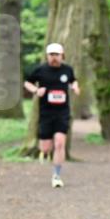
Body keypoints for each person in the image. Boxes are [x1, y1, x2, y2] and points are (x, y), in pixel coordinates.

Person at [24, 43, 80, 188]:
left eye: (57, 55)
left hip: (62, 112)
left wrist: (75, 86)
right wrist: (36, 90)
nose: (54, 58)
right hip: (46, 113)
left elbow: (73, 80)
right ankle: (46, 152)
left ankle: (56, 174)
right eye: (51, 55)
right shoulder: (41, 70)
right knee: (45, 147)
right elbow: (27, 83)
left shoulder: (68, 70)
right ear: (47, 56)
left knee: (60, 142)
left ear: (62, 56)